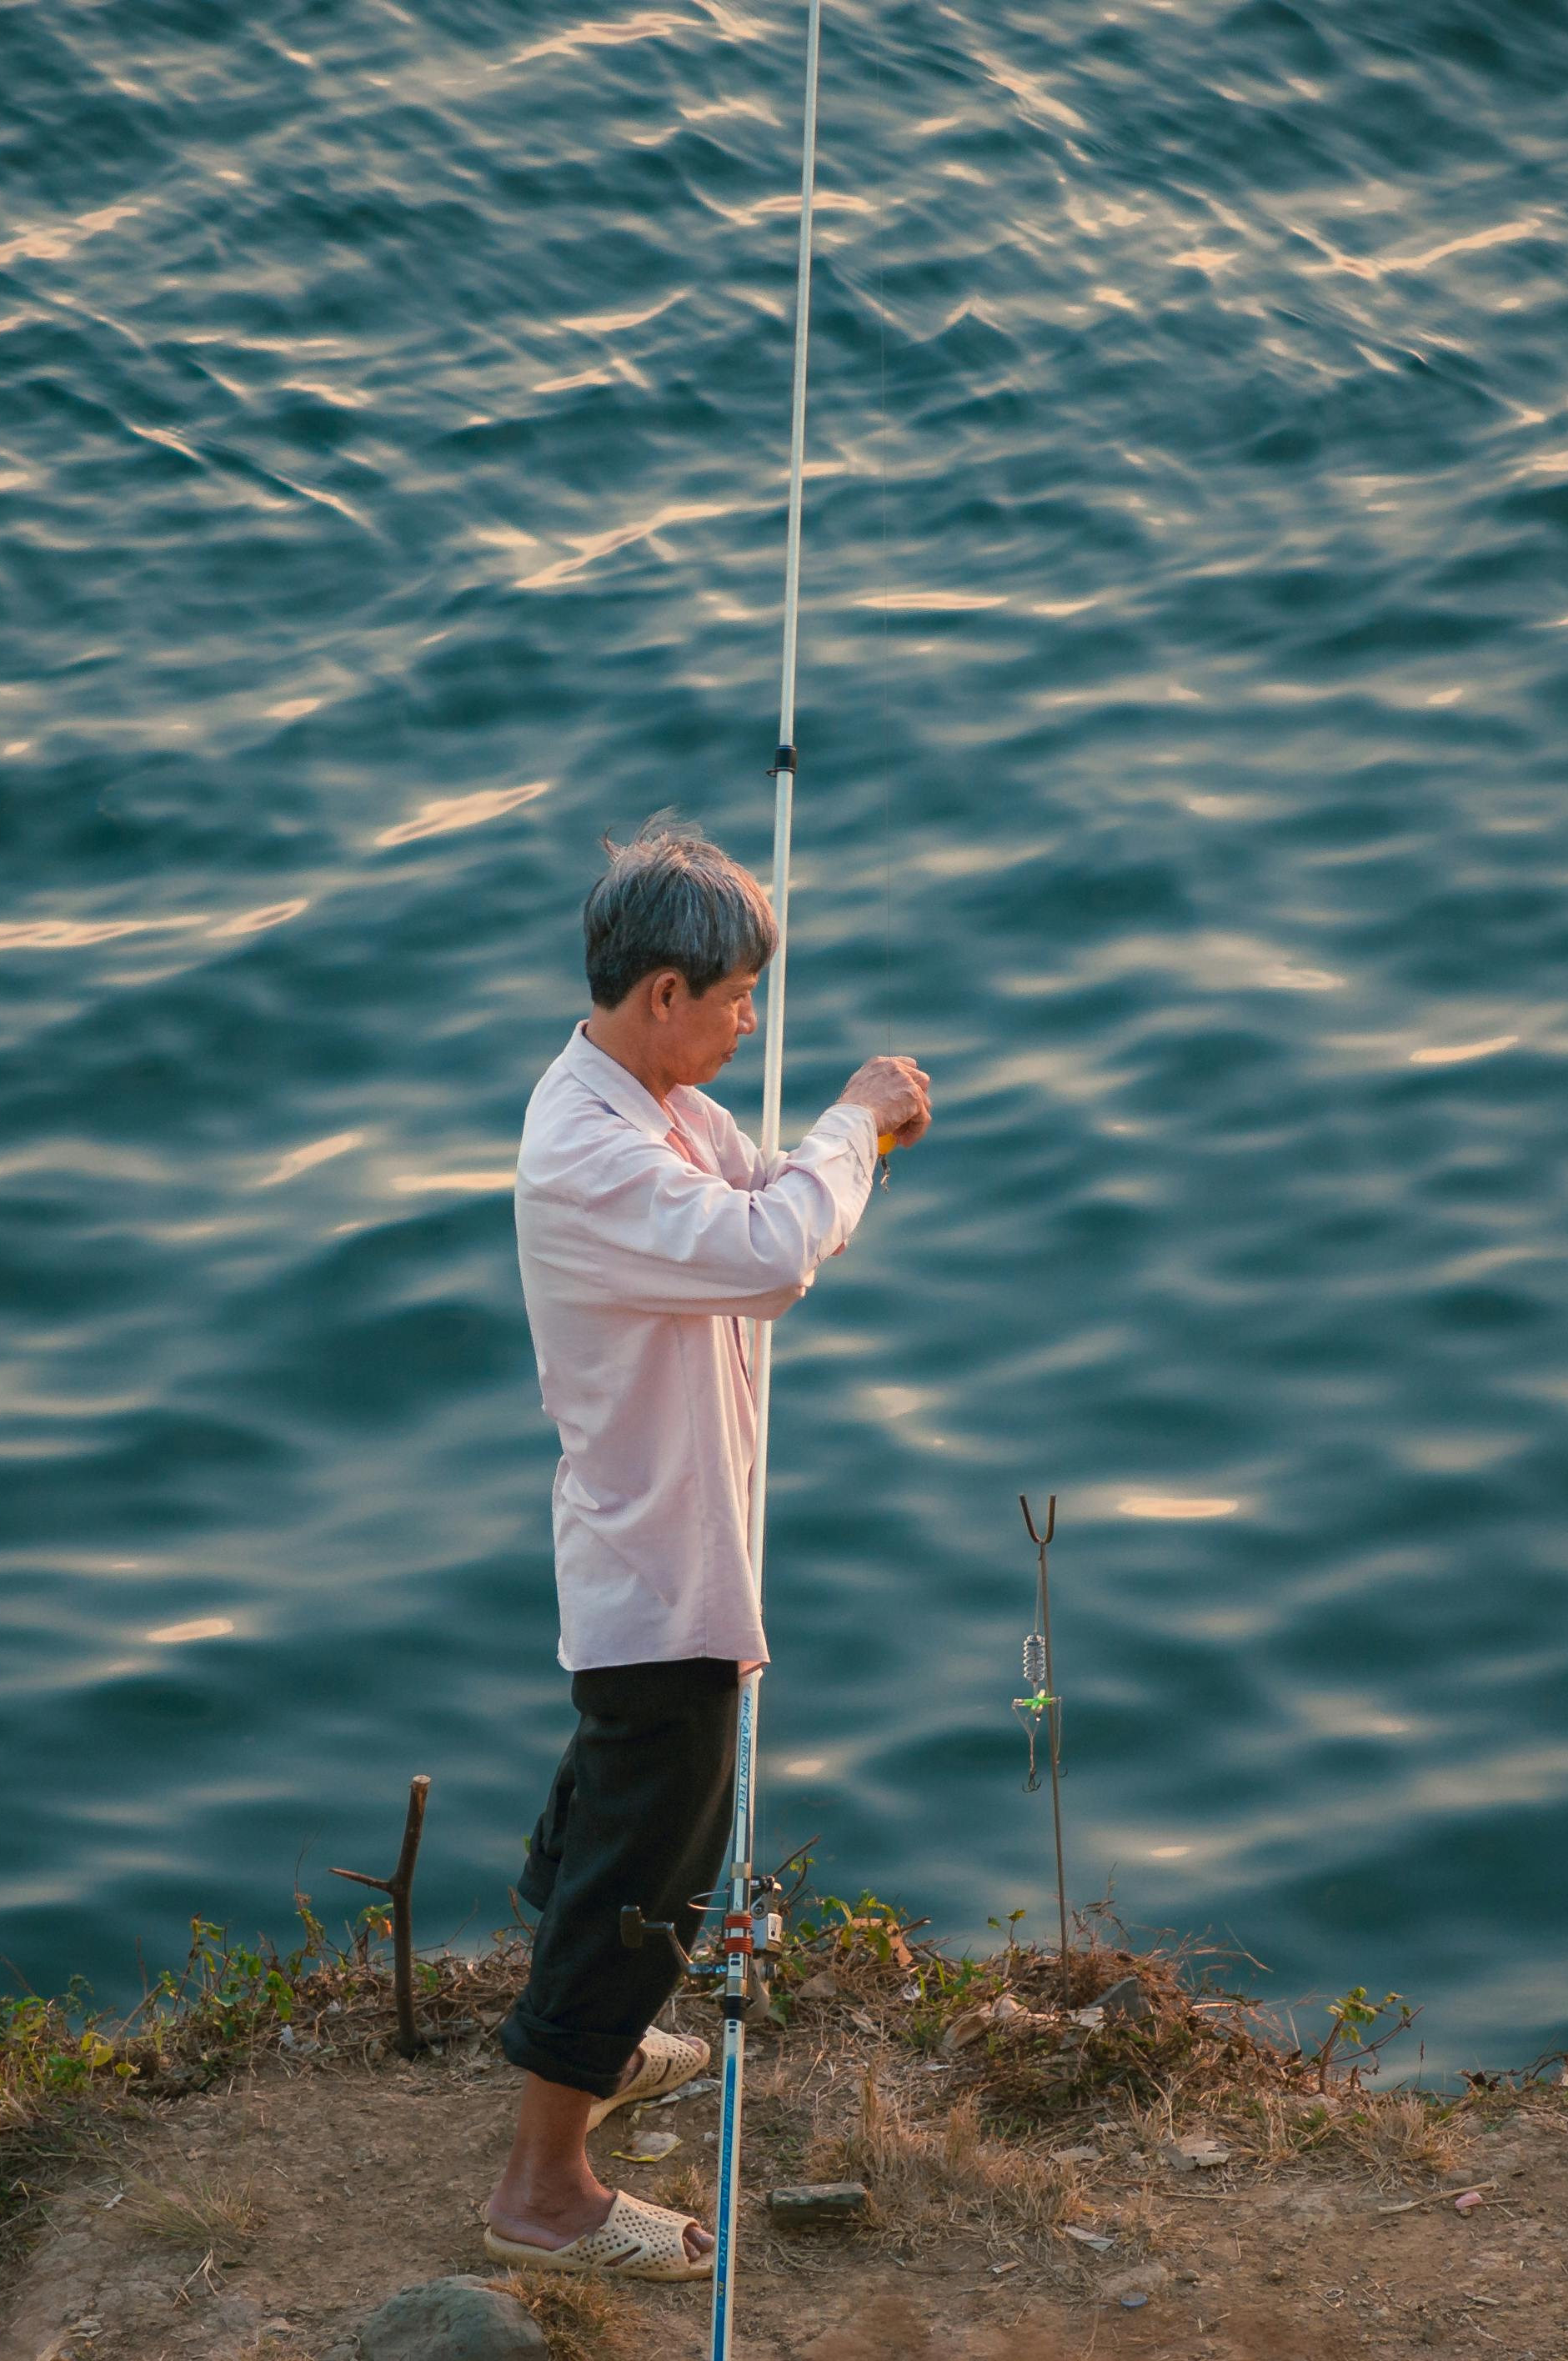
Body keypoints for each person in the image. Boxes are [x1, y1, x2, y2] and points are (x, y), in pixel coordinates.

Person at [478, 816, 933, 2280]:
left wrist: (823, 1157)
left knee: (619, 1809)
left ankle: (589, 2038)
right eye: (737, 997)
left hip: (664, 1554)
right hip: (658, 1573)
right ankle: (544, 2188)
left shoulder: (659, 1105)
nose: (753, 1021)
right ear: (661, 993)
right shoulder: (587, 1149)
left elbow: (753, 1205)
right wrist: (853, 1123)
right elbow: (770, 1256)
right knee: (650, 1861)